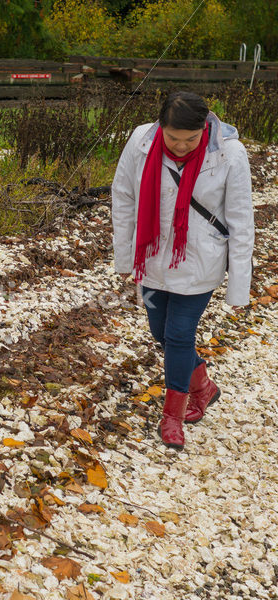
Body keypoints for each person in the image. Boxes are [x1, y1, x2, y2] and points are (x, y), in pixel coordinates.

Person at [111, 90, 254, 450]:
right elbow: (124, 196)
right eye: (172, 138)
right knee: (159, 332)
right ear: (161, 126)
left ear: (204, 129)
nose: (180, 146)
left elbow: (241, 221)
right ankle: (203, 386)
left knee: (177, 335)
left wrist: (239, 287)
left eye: (190, 140)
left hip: (200, 262)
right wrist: (125, 258)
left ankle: (172, 416)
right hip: (152, 256)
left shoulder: (229, 154)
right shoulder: (140, 142)